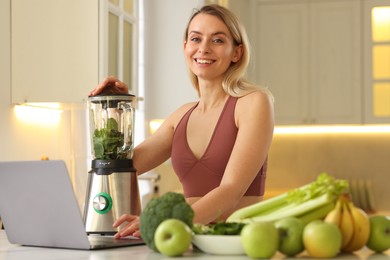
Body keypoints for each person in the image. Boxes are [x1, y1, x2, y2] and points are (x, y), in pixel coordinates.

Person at [89, 4, 274, 238]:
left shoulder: (254, 103)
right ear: (185, 47)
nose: (204, 49)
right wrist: (115, 105)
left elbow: (232, 190)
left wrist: (166, 222)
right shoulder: (181, 116)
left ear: (236, 52)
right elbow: (123, 167)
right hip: (184, 241)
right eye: (196, 39)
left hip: (238, 243)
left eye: (217, 40)